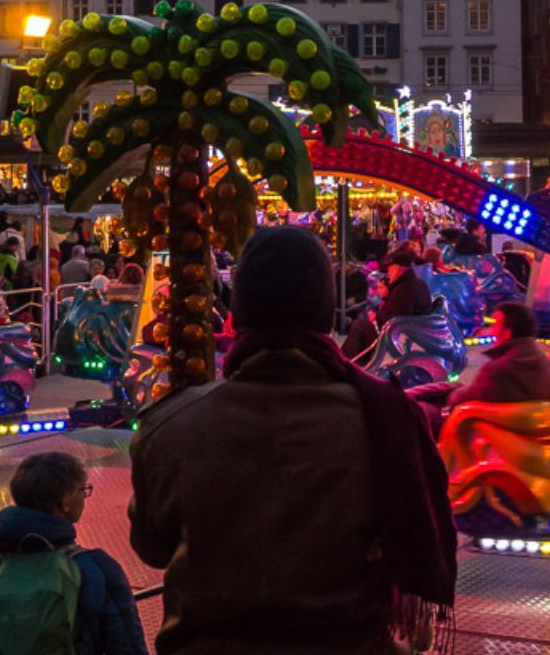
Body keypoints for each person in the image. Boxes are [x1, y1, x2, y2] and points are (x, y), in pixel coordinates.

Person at [130, 225, 456, 653]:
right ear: (324, 309)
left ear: (240, 310)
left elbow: (151, 546)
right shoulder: (389, 421)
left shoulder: (170, 425)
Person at [0, 452, 147, 655]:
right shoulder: (96, 568)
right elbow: (127, 646)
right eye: (82, 490)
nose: (84, 497)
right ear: (65, 503)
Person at [449, 302, 550, 406]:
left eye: (495, 325)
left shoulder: (497, 370)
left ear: (507, 333)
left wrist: (452, 393)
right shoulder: (542, 361)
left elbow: (458, 399)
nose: (491, 331)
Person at [341, 246, 433, 357]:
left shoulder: (404, 289)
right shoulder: (417, 284)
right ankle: (355, 362)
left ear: (398, 268)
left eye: (390, 269)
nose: (388, 273)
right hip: (411, 334)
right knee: (362, 325)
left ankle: (343, 363)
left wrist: (376, 317)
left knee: (360, 326)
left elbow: (394, 320)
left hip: (399, 338)